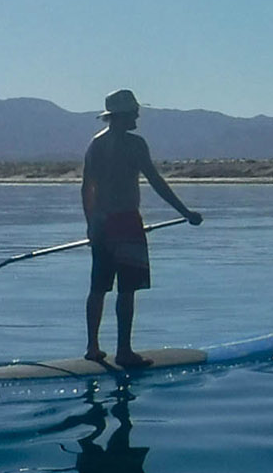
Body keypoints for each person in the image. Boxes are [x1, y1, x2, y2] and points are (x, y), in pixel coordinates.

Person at [81, 89, 201, 368]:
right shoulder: (135, 145)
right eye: (134, 111)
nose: (138, 115)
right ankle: (123, 351)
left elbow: (87, 189)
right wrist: (186, 213)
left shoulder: (95, 144)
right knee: (126, 289)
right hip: (124, 223)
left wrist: (91, 225)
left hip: (102, 224)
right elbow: (157, 182)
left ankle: (93, 347)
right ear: (123, 115)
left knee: (99, 286)